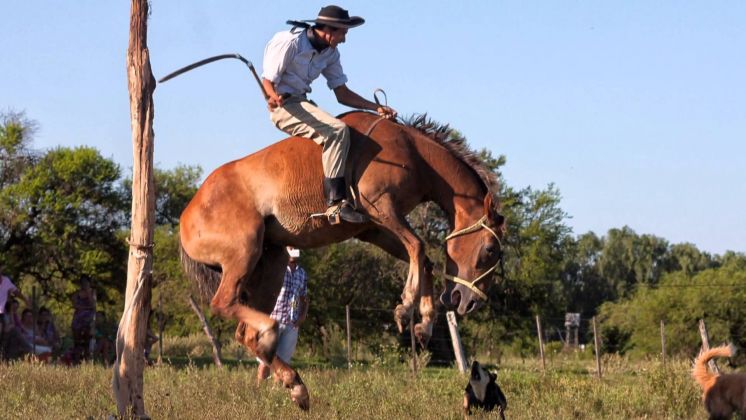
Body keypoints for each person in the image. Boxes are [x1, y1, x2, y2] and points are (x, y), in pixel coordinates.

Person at [261, 5, 397, 224]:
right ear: (329, 30)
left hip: (303, 102)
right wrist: (272, 96)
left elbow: (341, 93)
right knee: (337, 131)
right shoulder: (290, 42)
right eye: (343, 33)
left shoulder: (331, 53)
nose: (344, 39)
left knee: (348, 133)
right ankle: (335, 205)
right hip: (284, 106)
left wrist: (375, 108)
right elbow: (267, 80)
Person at [257, 247, 309, 384]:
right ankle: (258, 392)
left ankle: (274, 397)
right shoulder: (276, 270)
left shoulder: (302, 273)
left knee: (283, 363)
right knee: (265, 361)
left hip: (292, 324)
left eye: (295, 248)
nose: (293, 251)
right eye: (290, 248)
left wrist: (302, 316)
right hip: (273, 320)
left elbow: (304, 298)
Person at [70, 276, 96, 362]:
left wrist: (88, 293)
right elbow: (75, 305)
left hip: (88, 318)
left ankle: (87, 359)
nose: (84, 284)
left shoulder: (92, 292)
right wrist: (85, 307)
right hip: (78, 318)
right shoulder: (76, 294)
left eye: (86, 282)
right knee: (77, 341)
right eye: (83, 282)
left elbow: (93, 305)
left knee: (87, 340)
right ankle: (76, 359)